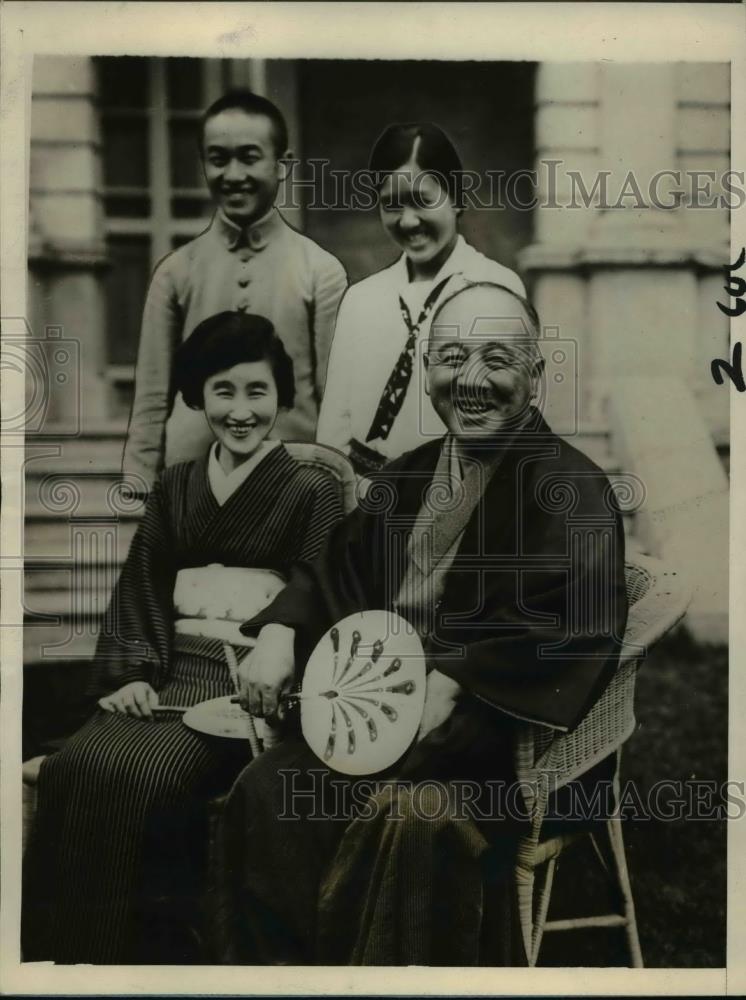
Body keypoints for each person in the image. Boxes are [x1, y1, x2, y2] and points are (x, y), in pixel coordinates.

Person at [211, 282, 629, 965]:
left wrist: (457, 680)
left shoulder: (571, 490)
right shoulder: (409, 476)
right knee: (266, 790)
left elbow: (573, 625)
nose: (471, 381)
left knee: (413, 820)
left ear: (536, 373)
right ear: (428, 368)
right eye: (452, 357)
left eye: (497, 359)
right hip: (381, 719)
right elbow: (332, 565)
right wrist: (283, 630)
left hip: (492, 745)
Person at [22, 312, 345, 964]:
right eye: (223, 391)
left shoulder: (313, 488)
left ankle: (143, 957)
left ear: (282, 396)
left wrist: (279, 645)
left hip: (246, 680)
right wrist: (132, 673)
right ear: (198, 396)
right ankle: (65, 962)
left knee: (148, 776)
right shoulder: (175, 486)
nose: (241, 410)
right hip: (168, 669)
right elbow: (142, 583)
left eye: (257, 391)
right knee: (75, 767)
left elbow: (320, 582)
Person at [122, 90, 348, 492]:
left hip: (291, 484)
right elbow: (152, 396)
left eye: (249, 157)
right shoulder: (176, 271)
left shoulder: (320, 271)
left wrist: (337, 484)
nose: (233, 175)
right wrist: (139, 482)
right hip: (193, 483)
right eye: (218, 159)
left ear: (282, 166)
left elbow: (336, 398)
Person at [316, 122, 526, 476]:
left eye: (423, 201)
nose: (408, 222)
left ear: (456, 198)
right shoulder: (361, 298)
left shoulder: (497, 288)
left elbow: (512, 417)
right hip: (365, 490)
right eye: (391, 205)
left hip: (454, 485)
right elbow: (335, 424)